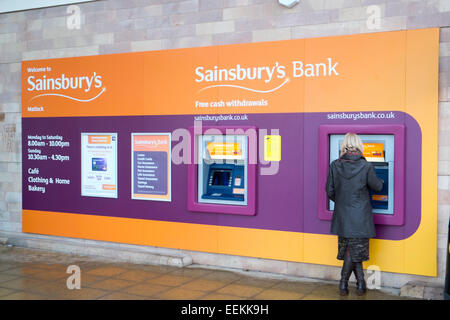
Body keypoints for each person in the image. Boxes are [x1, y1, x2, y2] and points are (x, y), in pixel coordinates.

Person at [326, 133, 383, 296]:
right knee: (353, 250)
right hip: (360, 216)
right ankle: (344, 283)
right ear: (359, 145)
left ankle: (360, 283)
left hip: (343, 216)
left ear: (344, 145)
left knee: (351, 251)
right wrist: (382, 182)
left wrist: (343, 201)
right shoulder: (366, 166)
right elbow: (377, 187)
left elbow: (329, 190)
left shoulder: (335, 165)